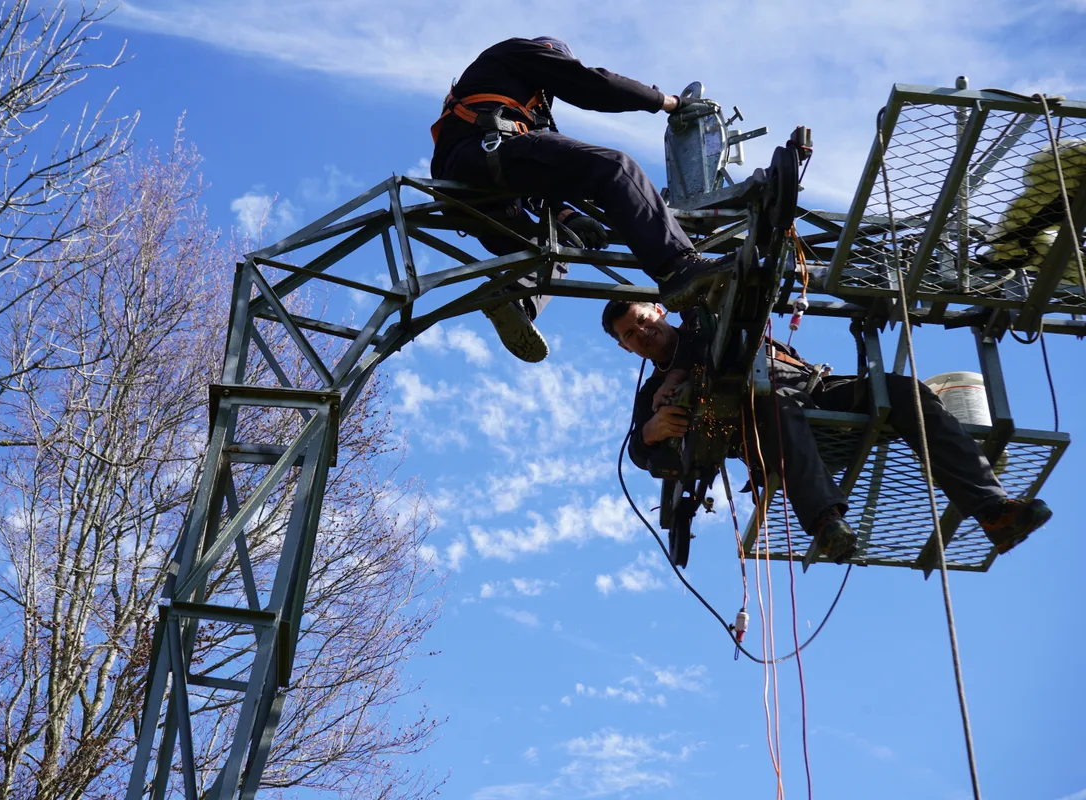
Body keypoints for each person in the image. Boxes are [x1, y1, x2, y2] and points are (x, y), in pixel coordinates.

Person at [600, 299, 1054, 562]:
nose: (642, 332)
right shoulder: (652, 393)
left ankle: (992, 510)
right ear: (625, 348)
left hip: (818, 393)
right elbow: (638, 452)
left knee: (902, 390)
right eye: (630, 334)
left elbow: (703, 328)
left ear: (659, 311)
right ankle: (825, 522)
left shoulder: (708, 322)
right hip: (771, 427)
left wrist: (681, 372)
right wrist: (652, 432)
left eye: (643, 320)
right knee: (774, 404)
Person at [430, 36, 736, 363]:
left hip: (474, 193)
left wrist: (568, 216)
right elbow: (591, 85)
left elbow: (539, 179)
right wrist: (668, 102)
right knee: (615, 168)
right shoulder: (520, 51)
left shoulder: (514, 99)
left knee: (555, 244)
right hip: (485, 154)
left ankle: (517, 301)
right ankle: (678, 268)